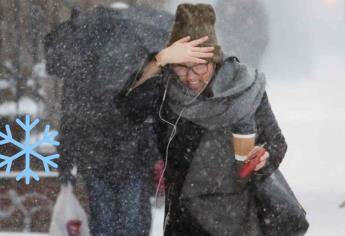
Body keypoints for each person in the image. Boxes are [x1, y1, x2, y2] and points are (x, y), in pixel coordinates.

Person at [115, 3, 288, 236]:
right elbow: (128, 108)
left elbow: (276, 142)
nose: (191, 77)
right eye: (181, 67)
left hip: (239, 216)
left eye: (199, 67)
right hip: (184, 216)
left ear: (214, 60)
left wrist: (263, 158)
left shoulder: (243, 87)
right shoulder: (165, 89)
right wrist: (159, 60)